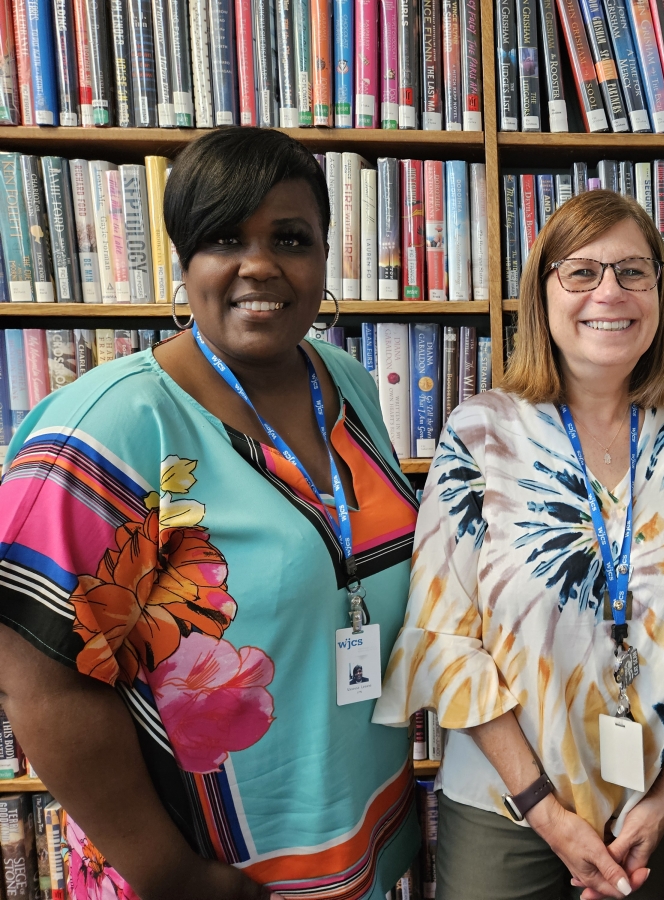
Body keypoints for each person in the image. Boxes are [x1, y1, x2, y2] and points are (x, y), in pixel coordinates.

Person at [0, 128, 420, 900]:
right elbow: (39, 681)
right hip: (207, 874)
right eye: (225, 238)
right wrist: (176, 878)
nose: (259, 265)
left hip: (356, 836)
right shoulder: (106, 430)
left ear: (324, 256)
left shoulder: (347, 382)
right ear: (183, 260)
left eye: (290, 239)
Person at [373, 189, 664, 900]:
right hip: (506, 808)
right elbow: (444, 639)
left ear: (659, 293)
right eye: (581, 272)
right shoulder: (480, 434)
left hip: (644, 812)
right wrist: (547, 814)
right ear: (542, 295)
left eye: (633, 271)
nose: (610, 292)